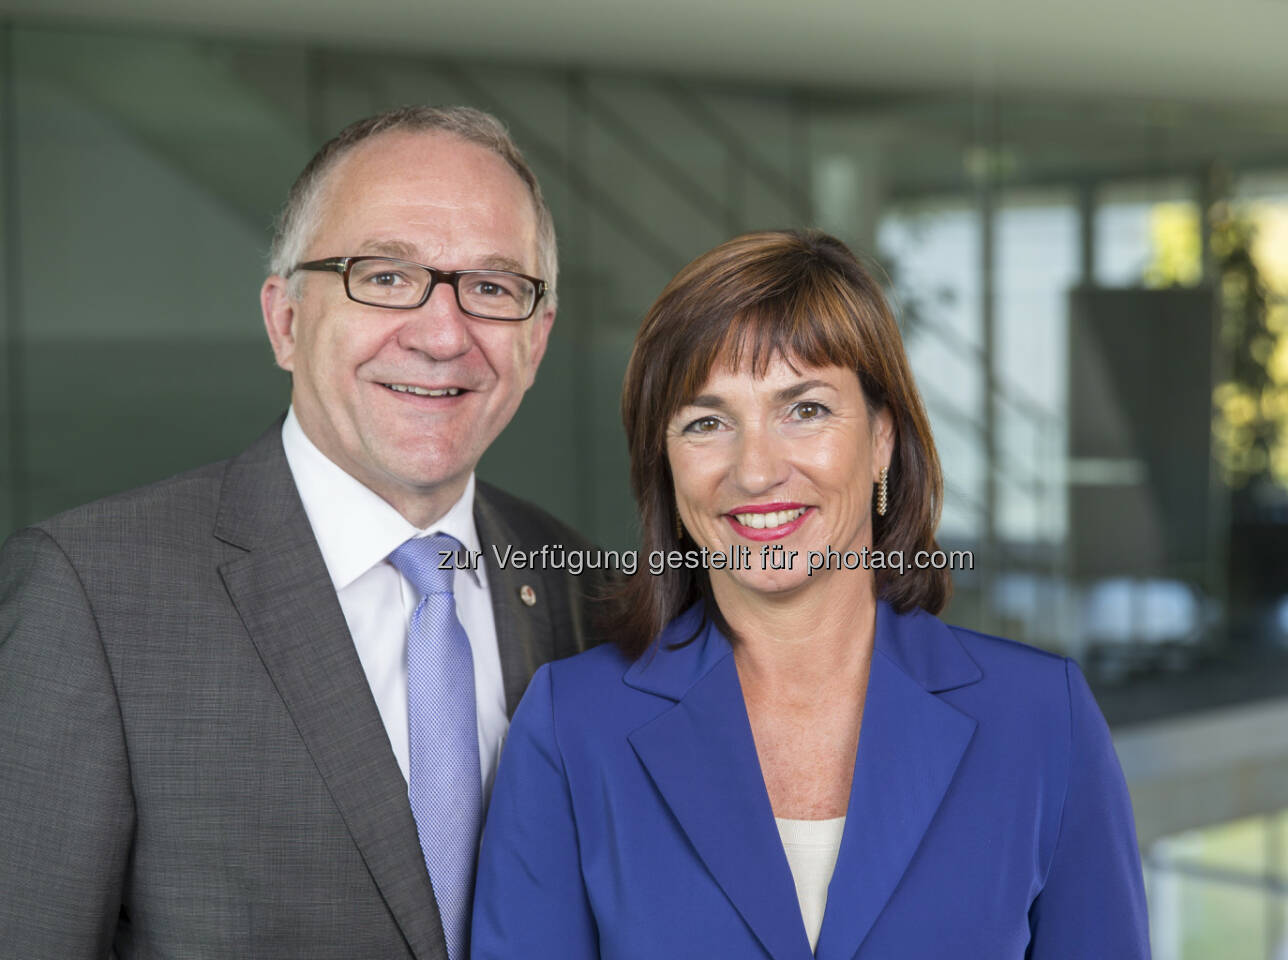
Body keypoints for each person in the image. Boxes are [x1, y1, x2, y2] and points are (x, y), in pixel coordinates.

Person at [0, 106, 604, 960]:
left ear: (536, 342)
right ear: (285, 320)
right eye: (385, 276)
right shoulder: (91, 595)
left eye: (493, 287)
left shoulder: (587, 592)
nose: (442, 334)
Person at [472, 229, 1150, 958]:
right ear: (664, 468)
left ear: (883, 438)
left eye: (806, 410)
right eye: (706, 422)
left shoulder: (1044, 720)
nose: (756, 470)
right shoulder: (572, 727)